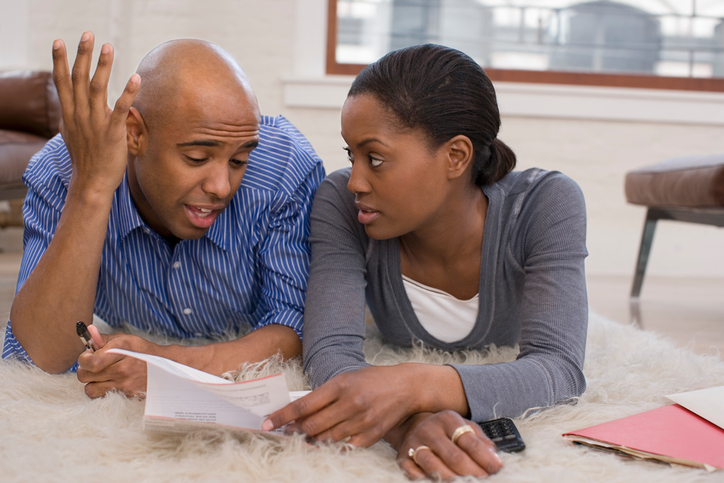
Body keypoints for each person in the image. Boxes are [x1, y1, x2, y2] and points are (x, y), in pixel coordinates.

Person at [263, 44, 588, 479]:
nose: (355, 180)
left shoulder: (545, 204)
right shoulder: (341, 203)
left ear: (456, 156)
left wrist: (415, 384)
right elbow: (329, 350)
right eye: (351, 156)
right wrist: (410, 421)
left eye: (375, 158)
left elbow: (559, 369)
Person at [2, 32, 325, 399]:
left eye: (239, 161)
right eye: (197, 158)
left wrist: (164, 362)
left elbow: (296, 326)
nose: (221, 186)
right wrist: (90, 188)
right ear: (134, 134)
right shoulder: (63, 170)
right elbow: (34, 359)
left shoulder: (283, 170)